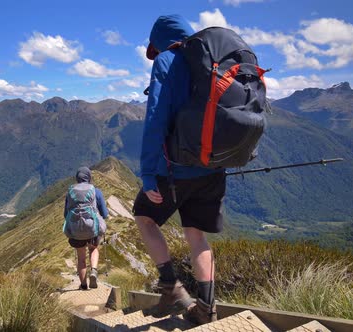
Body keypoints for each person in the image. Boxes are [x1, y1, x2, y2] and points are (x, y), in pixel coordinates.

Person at [133, 14, 226, 324]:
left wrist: (148, 174)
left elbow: (155, 119)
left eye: (155, 48)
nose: (155, 54)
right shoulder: (213, 60)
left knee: (144, 217)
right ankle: (207, 309)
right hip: (213, 167)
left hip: (176, 170)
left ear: (160, 40)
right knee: (195, 235)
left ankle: (172, 287)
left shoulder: (167, 61)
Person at [64, 167, 109, 290]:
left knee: (81, 258)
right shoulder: (96, 191)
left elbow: (65, 214)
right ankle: (93, 271)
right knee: (94, 249)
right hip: (92, 228)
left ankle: (83, 285)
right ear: (89, 177)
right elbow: (105, 214)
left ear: (77, 178)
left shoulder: (70, 192)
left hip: (76, 229)